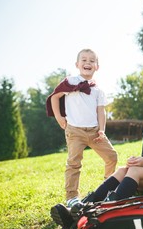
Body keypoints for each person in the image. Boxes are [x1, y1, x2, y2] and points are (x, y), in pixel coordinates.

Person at [50, 86, 143, 229]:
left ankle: (101, 213)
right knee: (123, 170)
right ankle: (81, 209)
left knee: (134, 171)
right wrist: (137, 161)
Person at [46, 48, 118, 208]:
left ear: (97, 66)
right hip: (75, 131)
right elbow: (55, 97)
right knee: (73, 163)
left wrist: (102, 129)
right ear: (77, 64)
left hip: (94, 132)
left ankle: (108, 188)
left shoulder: (98, 90)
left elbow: (101, 111)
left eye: (92, 61)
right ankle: (72, 197)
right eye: (84, 60)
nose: (88, 63)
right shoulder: (70, 81)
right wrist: (58, 116)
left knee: (111, 156)